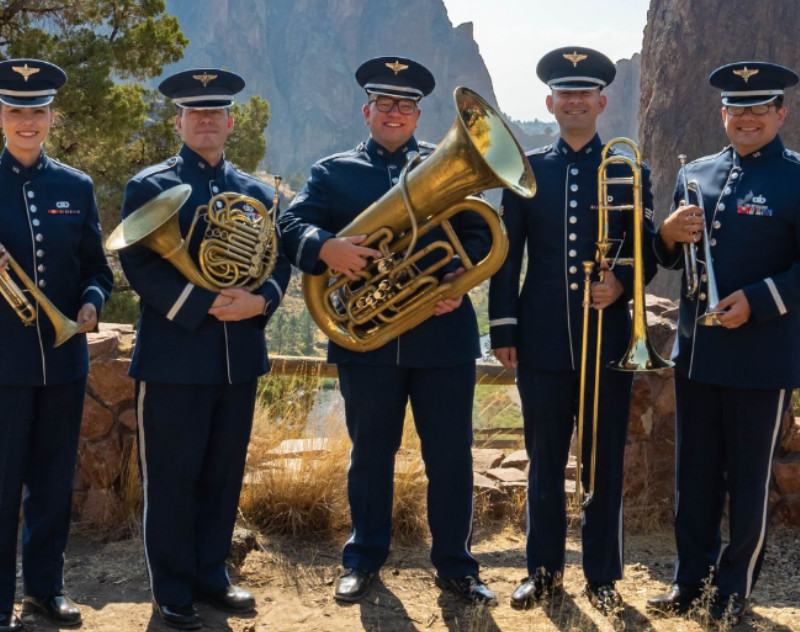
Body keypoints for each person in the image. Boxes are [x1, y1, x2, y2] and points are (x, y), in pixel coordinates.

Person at [278, 56, 496, 605]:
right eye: (384, 103)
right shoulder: (334, 172)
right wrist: (326, 248)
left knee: (451, 455)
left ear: (419, 114)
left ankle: (457, 565)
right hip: (365, 343)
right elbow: (291, 226)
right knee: (370, 454)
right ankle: (363, 559)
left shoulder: (442, 168)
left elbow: (475, 233)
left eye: (405, 105)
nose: (394, 112)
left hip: (442, 336)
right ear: (367, 110)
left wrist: (454, 275)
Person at [117, 68, 290, 630]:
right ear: (180, 122)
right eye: (197, 114)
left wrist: (260, 299)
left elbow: (279, 259)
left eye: (217, 113)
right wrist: (202, 303)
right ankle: (171, 587)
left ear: (230, 122)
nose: (208, 121)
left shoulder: (258, 191)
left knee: (222, 473)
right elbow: (139, 263)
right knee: (171, 478)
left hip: (237, 359)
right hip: (174, 359)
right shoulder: (150, 185)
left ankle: (212, 575)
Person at [488, 46, 659, 615]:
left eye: (585, 92)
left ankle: (603, 576)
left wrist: (623, 283)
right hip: (540, 343)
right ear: (551, 102)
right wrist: (503, 327)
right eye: (566, 93)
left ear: (602, 101)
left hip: (609, 344)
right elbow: (507, 257)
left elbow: (646, 251)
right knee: (543, 462)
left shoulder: (629, 169)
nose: (576, 100)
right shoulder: (529, 172)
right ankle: (541, 573)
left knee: (603, 461)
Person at [646, 61, 800, 625]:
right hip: (699, 354)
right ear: (723, 114)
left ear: (780, 113)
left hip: (761, 357)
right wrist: (665, 234)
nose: (748, 118)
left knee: (749, 481)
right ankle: (691, 580)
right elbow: (668, 258)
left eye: (760, 107)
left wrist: (757, 300)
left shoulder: (796, 177)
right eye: (738, 108)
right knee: (696, 475)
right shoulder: (697, 174)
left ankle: (734, 588)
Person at [0, 59, 113, 631]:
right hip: (4, 366)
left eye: (37, 110)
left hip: (63, 363)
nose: (27, 120)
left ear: (52, 117)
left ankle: (45, 588)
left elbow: (96, 267)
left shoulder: (75, 185)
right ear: (1, 115)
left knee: (51, 483)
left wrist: (92, 301)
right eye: (16, 109)